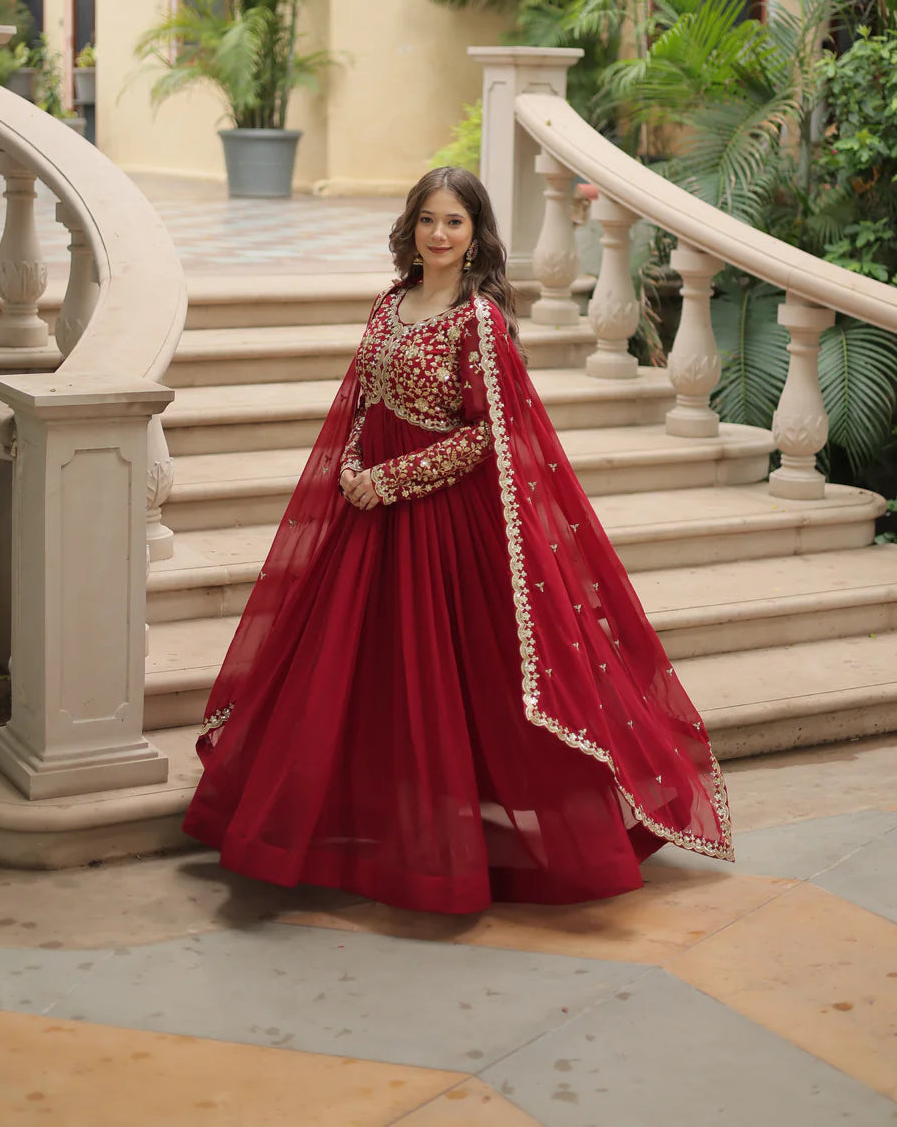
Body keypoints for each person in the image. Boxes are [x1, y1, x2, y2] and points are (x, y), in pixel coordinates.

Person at [184, 167, 733, 913]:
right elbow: (362, 399)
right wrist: (353, 466)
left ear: (476, 236)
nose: (438, 234)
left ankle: (443, 839)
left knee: (442, 669)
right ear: (410, 226)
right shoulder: (390, 303)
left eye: (454, 222)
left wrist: (393, 478)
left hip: (438, 522)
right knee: (359, 665)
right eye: (428, 219)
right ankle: (358, 811)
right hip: (365, 517)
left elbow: (486, 435)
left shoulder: (478, 321)